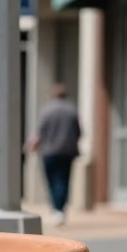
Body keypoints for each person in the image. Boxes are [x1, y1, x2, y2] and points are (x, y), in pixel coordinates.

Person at [29, 84, 81, 227]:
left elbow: (40, 132)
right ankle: (60, 209)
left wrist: (33, 145)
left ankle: (57, 208)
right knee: (63, 181)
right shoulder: (72, 111)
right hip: (67, 152)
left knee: (52, 181)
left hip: (49, 152)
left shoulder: (47, 111)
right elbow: (78, 132)